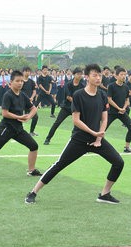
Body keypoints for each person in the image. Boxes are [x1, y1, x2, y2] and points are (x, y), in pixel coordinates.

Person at [25, 64, 124, 205]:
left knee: (118, 162)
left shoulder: (102, 95)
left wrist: (98, 138)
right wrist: (93, 133)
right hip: (79, 139)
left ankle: (104, 194)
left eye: (99, 75)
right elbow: (76, 121)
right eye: (94, 75)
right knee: (59, 165)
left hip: (97, 140)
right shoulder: (78, 95)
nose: (98, 77)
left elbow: (105, 119)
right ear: (87, 77)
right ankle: (33, 192)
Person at [0, 70, 42, 178]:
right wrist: (19, 117)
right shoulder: (8, 95)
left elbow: (33, 109)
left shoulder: (23, 95)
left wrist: (28, 116)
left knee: (34, 146)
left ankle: (31, 171)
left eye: (21, 81)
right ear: (11, 82)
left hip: (18, 129)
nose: (20, 83)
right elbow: (4, 113)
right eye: (17, 81)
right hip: (6, 128)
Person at [43, 67, 85, 145]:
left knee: (81, 124)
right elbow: (68, 97)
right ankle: (48, 139)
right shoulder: (69, 84)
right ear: (74, 75)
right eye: (78, 74)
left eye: (81, 74)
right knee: (57, 122)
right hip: (67, 107)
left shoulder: (82, 86)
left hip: (76, 108)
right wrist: (77, 103)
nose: (79, 75)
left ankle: (82, 141)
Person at [105, 67, 131, 153]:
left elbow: (127, 100)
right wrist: (119, 108)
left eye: (125, 74)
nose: (123, 76)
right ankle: (91, 145)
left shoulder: (125, 87)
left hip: (122, 112)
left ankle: (127, 147)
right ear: (116, 75)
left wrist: (124, 108)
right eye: (121, 74)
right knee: (102, 129)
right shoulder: (111, 86)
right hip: (112, 112)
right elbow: (109, 99)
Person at [21, 66, 39, 137]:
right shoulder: (20, 82)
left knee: (35, 116)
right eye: (26, 71)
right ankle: (17, 131)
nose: (27, 72)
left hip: (29, 102)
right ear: (23, 72)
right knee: (18, 116)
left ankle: (31, 131)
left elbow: (34, 92)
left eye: (29, 71)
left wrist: (31, 98)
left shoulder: (31, 82)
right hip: (20, 102)